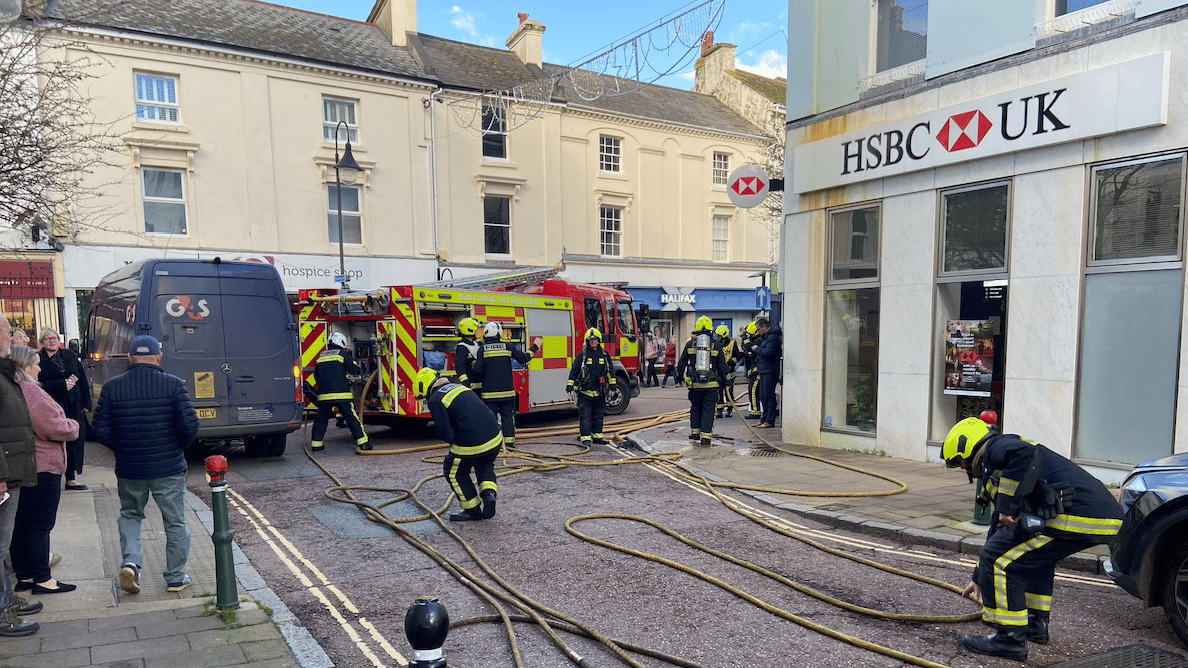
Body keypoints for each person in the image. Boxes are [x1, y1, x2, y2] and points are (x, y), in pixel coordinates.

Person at [942, 417, 1124, 661]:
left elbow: (1026, 454)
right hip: (1101, 516)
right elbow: (998, 527)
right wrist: (977, 577)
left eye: (959, 461)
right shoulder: (999, 465)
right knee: (1029, 557)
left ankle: (1010, 639)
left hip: (1077, 514)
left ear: (967, 446)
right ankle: (1033, 625)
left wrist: (1007, 507)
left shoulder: (997, 448)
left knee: (1000, 561)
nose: (963, 467)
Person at [91, 335, 200, 595]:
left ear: (130, 358)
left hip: (131, 468)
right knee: (174, 522)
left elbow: (99, 430)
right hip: (168, 468)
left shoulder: (112, 387)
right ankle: (175, 578)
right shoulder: (173, 385)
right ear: (159, 357)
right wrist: (175, 449)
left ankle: (131, 562)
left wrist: (124, 449)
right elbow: (190, 426)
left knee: (130, 515)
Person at [7, 345, 78, 595]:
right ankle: (43, 579)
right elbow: (52, 427)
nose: (39, 368)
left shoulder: (13, 390)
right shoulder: (30, 392)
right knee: (40, 525)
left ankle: (25, 575)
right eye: (36, 364)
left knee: (22, 523)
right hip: (43, 466)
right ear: (25, 367)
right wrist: (73, 425)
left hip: (26, 464)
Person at [414, 368, 502, 522]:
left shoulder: (435, 399)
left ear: (425, 388)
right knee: (484, 464)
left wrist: (456, 441)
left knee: (453, 471)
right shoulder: (458, 386)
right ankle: (489, 494)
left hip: (472, 440)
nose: (426, 400)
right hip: (494, 436)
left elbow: (445, 433)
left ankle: (471, 510)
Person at [0, 316, 41, 637]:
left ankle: (6, 601)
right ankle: (2, 614)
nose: (13, 337)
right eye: (7, 331)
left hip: (12, 470)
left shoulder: (5, 372)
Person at [37, 328, 90, 491]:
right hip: (50, 405)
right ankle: (52, 475)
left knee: (74, 439)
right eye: (48, 338)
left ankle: (71, 477)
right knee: (54, 441)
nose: (52, 341)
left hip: (73, 404)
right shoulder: (38, 359)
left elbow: (82, 379)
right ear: (42, 342)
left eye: (54, 338)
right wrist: (60, 384)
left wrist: (86, 403)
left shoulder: (69, 355)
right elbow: (35, 384)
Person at [472, 322, 539, 450]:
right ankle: (509, 444)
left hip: (489, 394)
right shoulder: (508, 346)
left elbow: (478, 371)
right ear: (499, 333)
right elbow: (524, 358)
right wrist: (535, 347)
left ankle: (491, 444)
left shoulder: (482, 349)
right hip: (507, 393)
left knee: (490, 419)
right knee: (508, 417)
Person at [309, 331, 369, 453]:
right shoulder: (342, 354)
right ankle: (363, 443)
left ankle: (316, 444)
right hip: (341, 394)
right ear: (341, 342)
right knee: (351, 418)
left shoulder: (321, 356)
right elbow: (353, 369)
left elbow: (316, 376)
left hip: (324, 395)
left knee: (321, 420)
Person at [676, 316, 727, 447]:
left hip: (694, 385)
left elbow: (681, 362)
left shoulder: (690, 344)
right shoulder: (717, 345)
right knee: (709, 409)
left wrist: (680, 377)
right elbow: (722, 366)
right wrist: (726, 381)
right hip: (712, 385)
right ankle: (706, 438)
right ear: (711, 329)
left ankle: (695, 433)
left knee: (695, 407)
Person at [567, 328, 615, 446]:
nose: (593, 342)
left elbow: (610, 371)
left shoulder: (604, 354)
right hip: (585, 392)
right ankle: (586, 437)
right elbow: (574, 370)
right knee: (585, 415)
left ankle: (597, 436)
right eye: (591, 340)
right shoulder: (583, 355)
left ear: (599, 340)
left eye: (595, 340)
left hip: (600, 390)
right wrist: (569, 386)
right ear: (587, 341)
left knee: (599, 414)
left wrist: (613, 386)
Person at [754, 316, 782, 429]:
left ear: (764, 327)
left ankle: (770, 420)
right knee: (763, 396)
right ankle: (764, 418)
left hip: (770, 370)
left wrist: (757, 349)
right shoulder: (765, 338)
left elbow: (768, 352)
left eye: (758, 329)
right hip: (764, 369)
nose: (758, 332)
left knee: (769, 396)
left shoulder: (773, 337)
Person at [714, 325, 738, 419]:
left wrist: (732, 362)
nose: (717, 337)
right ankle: (719, 410)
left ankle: (729, 409)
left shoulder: (732, 343)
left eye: (719, 336)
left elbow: (737, 356)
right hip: (719, 373)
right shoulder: (717, 344)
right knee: (719, 392)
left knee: (729, 392)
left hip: (730, 372)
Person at [740, 322, 761, 419]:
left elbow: (748, 348)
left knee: (753, 390)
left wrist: (744, 338)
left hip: (758, 369)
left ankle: (755, 411)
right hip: (755, 368)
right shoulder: (757, 339)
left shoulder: (759, 341)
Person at [454, 317, 482, 391]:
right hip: (471, 387)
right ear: (470, 330)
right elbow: (460, 368)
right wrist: (466, 383)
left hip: (482, 385)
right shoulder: (462, 348)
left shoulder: (478, 344)